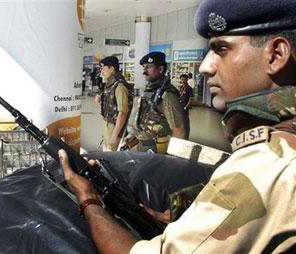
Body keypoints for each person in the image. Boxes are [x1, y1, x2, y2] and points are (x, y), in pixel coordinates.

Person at [58, 0, 296, 253]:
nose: (205, 67)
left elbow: (179, 130)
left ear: (277, 54)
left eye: (221, 49)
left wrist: (88, 200)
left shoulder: (268, 168)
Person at [124, 51, 185, 153]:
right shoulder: (150, 91)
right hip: (146, 147)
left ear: (160, 69)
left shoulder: (167, 95)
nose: (144, 71)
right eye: (144, 67)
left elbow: (179, 130)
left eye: (148, 67)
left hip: (159, 150)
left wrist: (173, 158)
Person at [94, 56, 133, 151]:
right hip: (109, 126)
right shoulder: (109, 85)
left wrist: (114, 136)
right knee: (107, 153)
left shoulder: (119, 87)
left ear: (112, 69)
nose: (101, 72)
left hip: (116, 129)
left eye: (103, 69)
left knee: (112, 156)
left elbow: (123, 113)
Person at [178, 74, 194, 139]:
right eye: (181, 79)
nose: (182, 81)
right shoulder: (181, 87)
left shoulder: (189, 88)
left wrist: (186, 106)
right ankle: (181, 135)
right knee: (180, 122)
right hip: (180, 106)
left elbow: (191, 98)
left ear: (187, 79)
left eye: (184, 79)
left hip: (184, 107)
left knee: (185, 122)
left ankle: (186, 137)